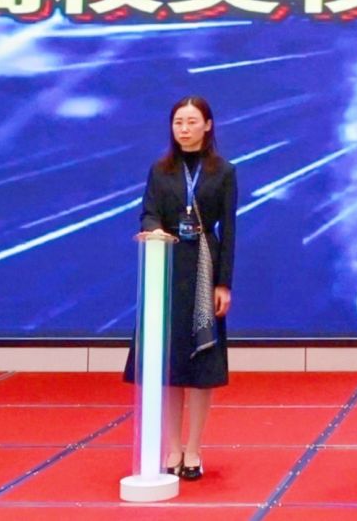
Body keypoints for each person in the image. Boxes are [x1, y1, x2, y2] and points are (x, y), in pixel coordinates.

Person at [124, 96, 238, 482]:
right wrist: (155, 230)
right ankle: (172, 447)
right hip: (167, 267)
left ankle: (194, 447)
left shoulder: (224, 171)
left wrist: (224, 283)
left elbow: (230, 230)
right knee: (168, 363)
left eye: (191, 122)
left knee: (201, 364)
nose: (184, 129)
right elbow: (148, 211)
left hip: (205, 265)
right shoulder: (160, 170)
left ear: (207, 125)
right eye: (178, 122)